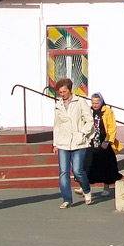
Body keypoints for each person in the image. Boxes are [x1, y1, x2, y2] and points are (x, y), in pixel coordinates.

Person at [53, 78, 93, 208]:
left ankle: (86, 190)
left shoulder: (80, 102)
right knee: (63, 172)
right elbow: (57, 125)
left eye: (64, 91)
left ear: (70, 90)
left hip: (78, 141)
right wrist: (55, 143)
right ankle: (67, 199)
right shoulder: (58, 105)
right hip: (63, 141)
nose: (62, 94)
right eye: (60, 92)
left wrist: (83, 132)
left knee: (77, 170)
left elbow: (89, 120)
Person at [85, 92, 123, 196]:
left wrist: (107, 141)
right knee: (89, 165)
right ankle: (86, 188)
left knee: (106, 166)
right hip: (92, 142)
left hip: (104, 142)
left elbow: (112, 127)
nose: (95, 105)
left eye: (97, 103)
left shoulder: (107, 111)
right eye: (93, 103)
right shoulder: (88, 111)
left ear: (101, 102)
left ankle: (106, 187)